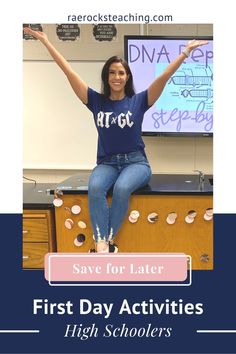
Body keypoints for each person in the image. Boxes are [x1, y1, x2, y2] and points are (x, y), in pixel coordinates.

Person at [23, 26, 208, 253]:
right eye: (112, 72)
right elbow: (68, 71)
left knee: (121, 189)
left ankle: (105, 242)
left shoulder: (139, 101)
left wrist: (185, 52)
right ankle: (103, 245)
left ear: (127, 76)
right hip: (107, 163)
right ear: (107, 76)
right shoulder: (96, 101)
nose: (117, 77)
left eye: (121, 72)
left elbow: (164, 76)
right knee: (95, 186)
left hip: (136, 163)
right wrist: (46, 42)